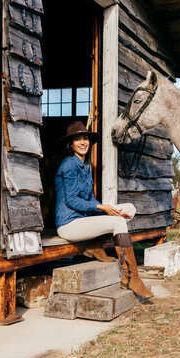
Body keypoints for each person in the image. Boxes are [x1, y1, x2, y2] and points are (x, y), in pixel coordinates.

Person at [55, 121, 153, 298]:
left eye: (85, 138)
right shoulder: (69, 165)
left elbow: (89, 200)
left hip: (83, 219)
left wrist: (106, 208)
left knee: (128, 209)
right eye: (78, 139)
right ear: (71, 144)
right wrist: (103, 208)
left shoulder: (85, 165)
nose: (83, 142)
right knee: (117, 221)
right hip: (69, 224)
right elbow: (71, 201)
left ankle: (94, 245)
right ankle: (131, 276)